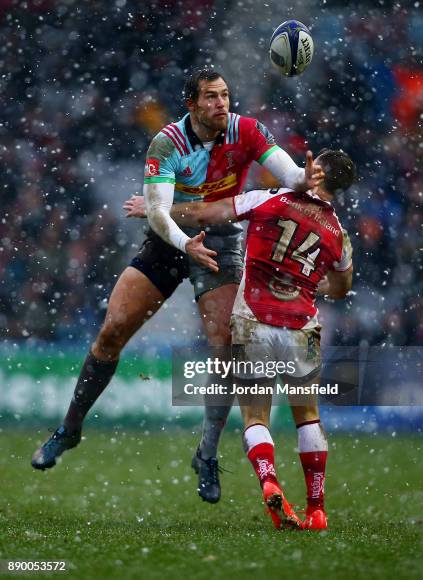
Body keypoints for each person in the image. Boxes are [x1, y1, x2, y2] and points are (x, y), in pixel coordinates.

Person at [31, 68, 322, 506]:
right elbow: (158, 214)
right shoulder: (167, 142)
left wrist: (306, 176)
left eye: (225, 95)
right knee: (112, 332)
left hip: (222, 242)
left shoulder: (247, 131)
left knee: (224, 346)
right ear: (191, 104)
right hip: (169, 241)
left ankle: (205, 454)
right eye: (211, 97)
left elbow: (290, 175)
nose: (221, 103)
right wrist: (188, 244)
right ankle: (69, 429)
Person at [162, 148, 356, 529]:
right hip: (303, 327)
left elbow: (206, 213)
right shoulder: (338, 234)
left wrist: (159, 209)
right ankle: (316, 508)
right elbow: (342, 285)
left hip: (253, 319)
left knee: (255, 415)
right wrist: (311, 281)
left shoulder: (271, 199)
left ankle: (269, 482)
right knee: (308, 418)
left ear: (316, 173)